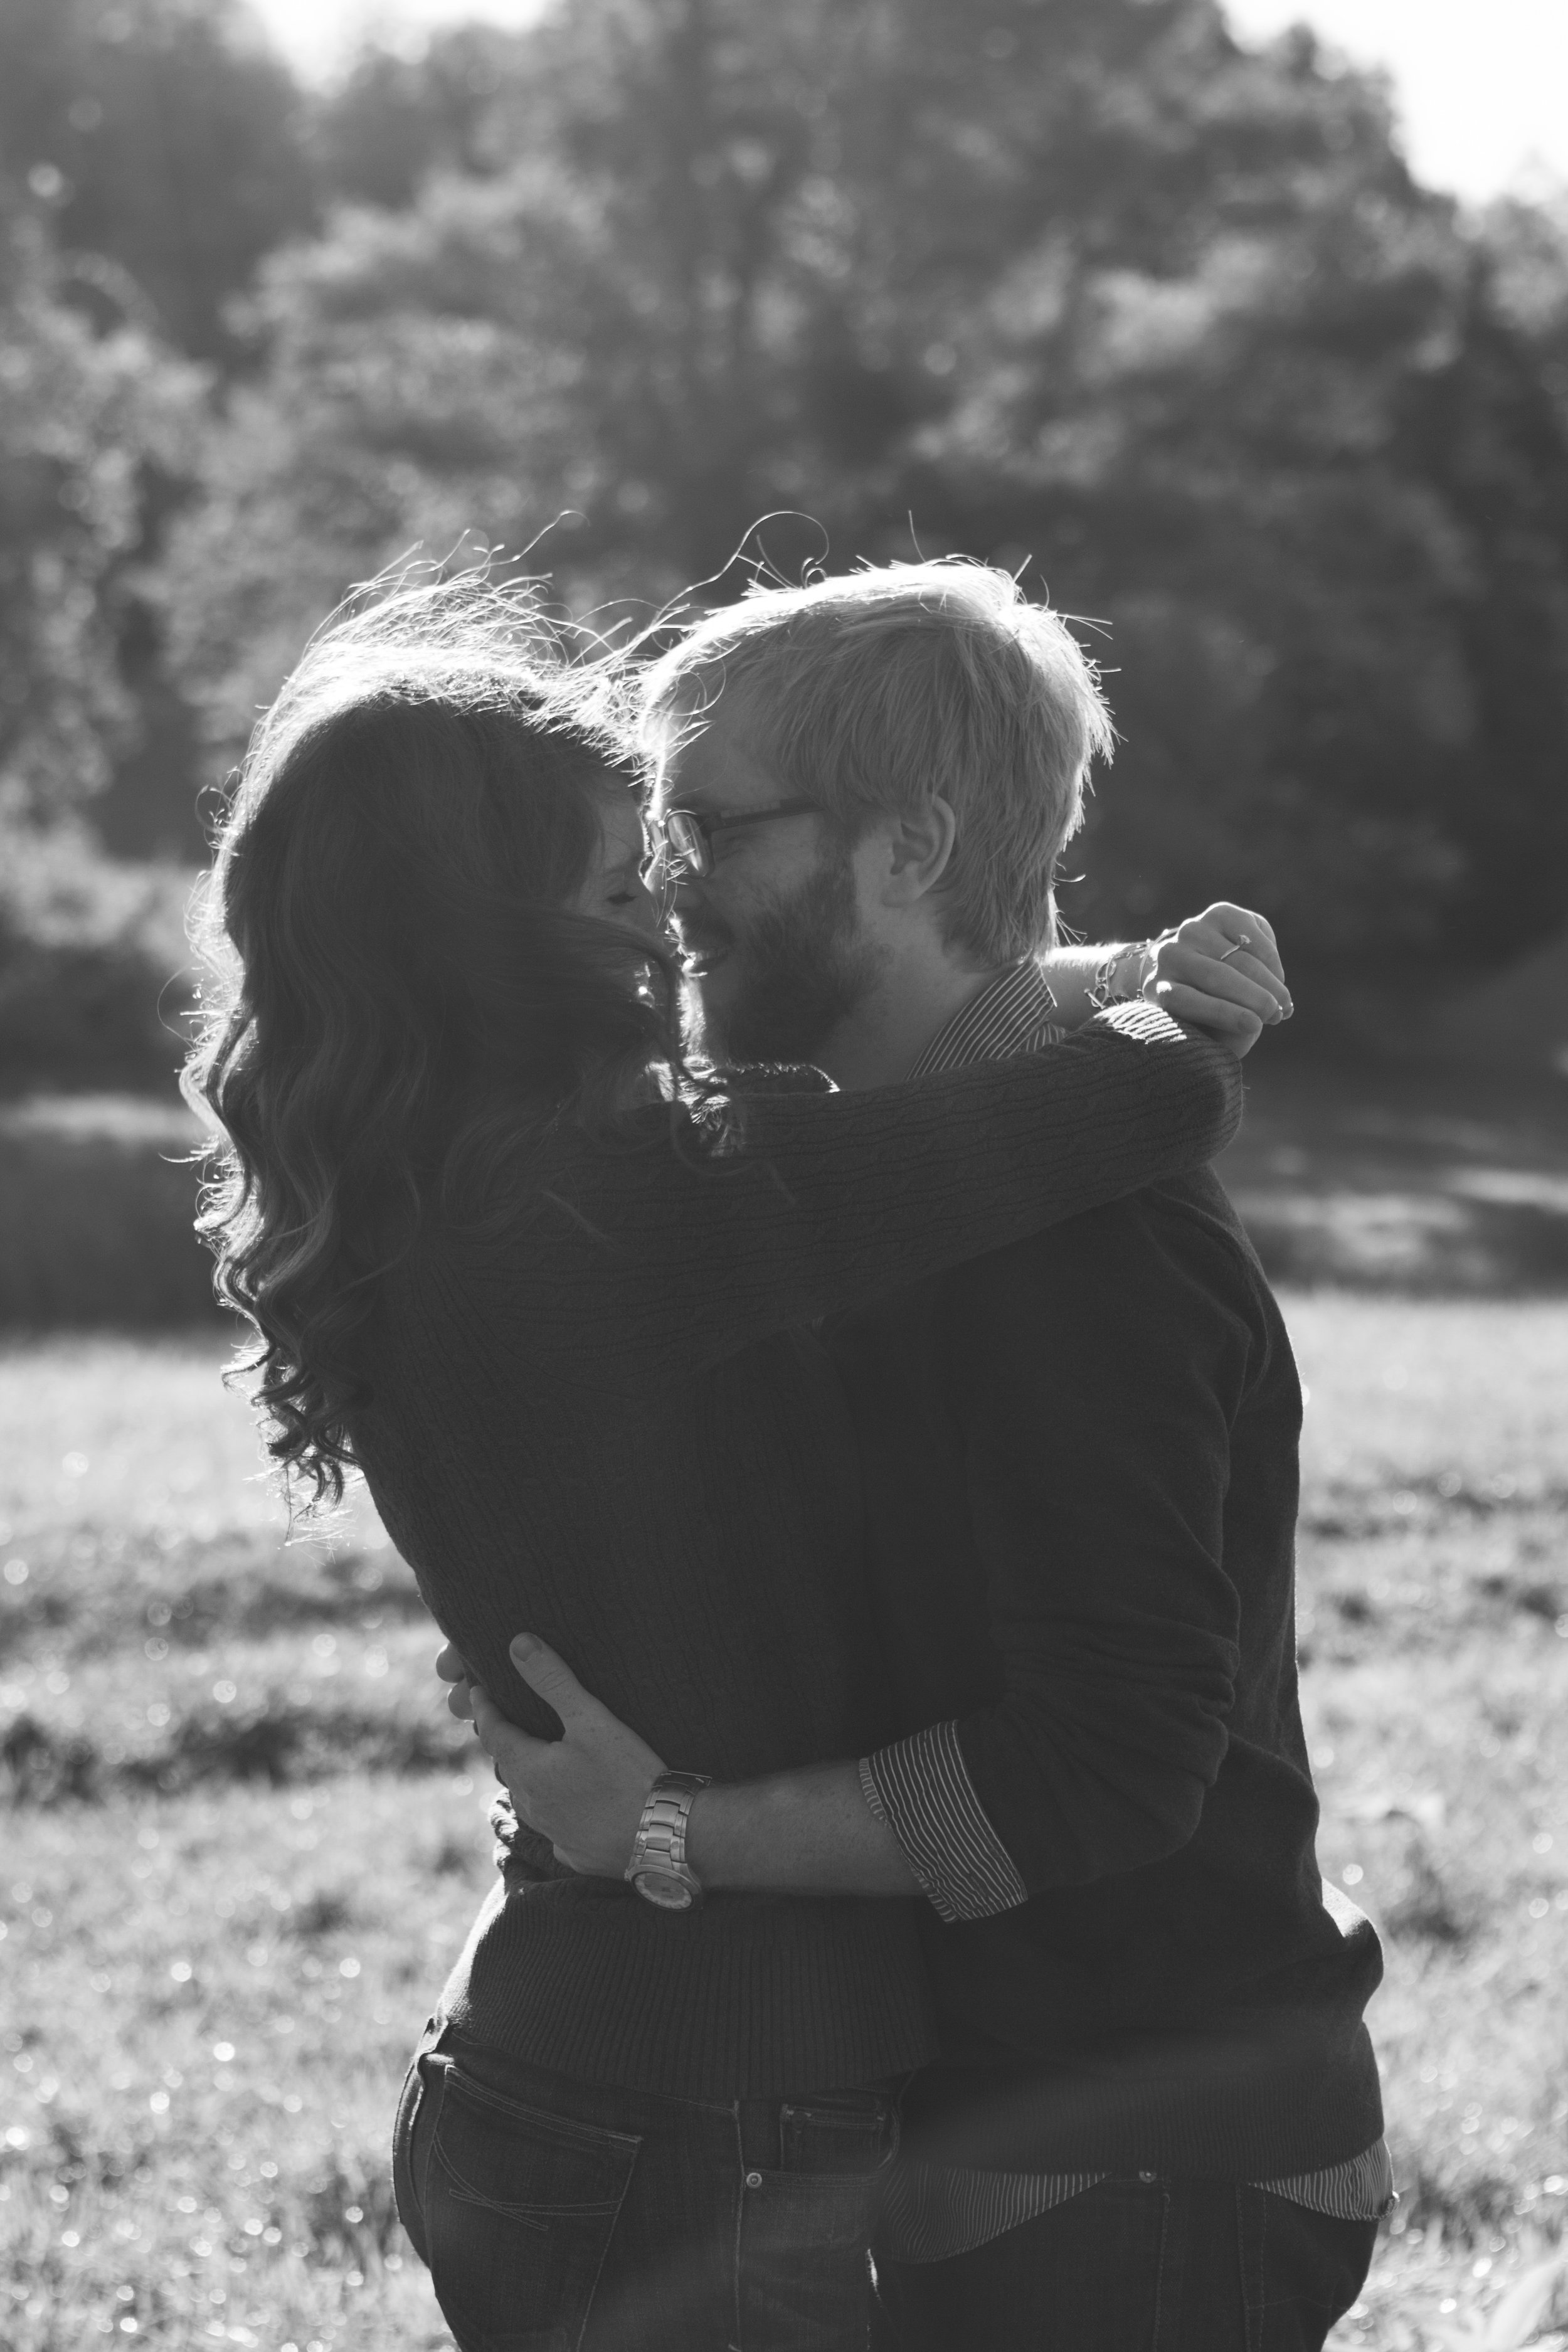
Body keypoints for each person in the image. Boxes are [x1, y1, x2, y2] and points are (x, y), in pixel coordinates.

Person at [186, 574, 1267, 2352]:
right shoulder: (590, 1237)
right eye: (627, 884)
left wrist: (1105, 973)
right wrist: (1175, 1025)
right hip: (682, 2105)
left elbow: (894, 1113)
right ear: (488, 940)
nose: (674, 915)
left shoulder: (511, 1200)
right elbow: (1086, 1117)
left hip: (616, 2080)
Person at [456, 561, 1388, 2352]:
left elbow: (1108, 1764)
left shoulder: (1067, 1251)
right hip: (1059, 2147)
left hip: (1131, 2170)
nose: (663, 892)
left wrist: (662, 1833)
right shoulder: (923, 1191)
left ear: (905, 850)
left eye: (704, 829)